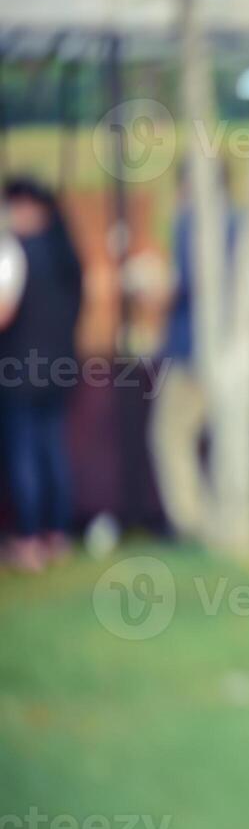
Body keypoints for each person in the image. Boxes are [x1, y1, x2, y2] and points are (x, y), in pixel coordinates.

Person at [149, 161, 237, 542]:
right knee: (221, 438)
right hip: (230, 352)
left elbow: (185, 286)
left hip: (192, 353)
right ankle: (218, 517)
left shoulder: (192, 223)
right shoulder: (237, 223)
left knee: (169, 436)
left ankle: (191, 522)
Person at [0, 178, 83, 573]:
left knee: (24, 454)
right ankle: (57, 535)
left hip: (19, 370)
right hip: (60, 369)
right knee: (52, 450)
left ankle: (30, 540)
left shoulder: (13, 252)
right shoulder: (66, 253)